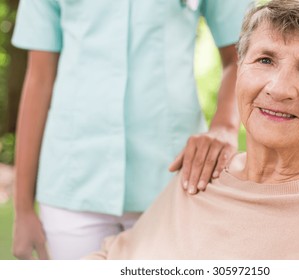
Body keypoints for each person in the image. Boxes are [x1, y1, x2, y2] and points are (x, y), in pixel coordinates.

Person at [86, 0, 299, 260]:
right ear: (240, 69)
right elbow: (114, 260)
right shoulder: (200, 175)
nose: (278, 88)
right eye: (265, 60)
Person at [11, 0, 252, 259]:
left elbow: (241, 55)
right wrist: (23, 208)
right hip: (71, 183)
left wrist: (225, 127)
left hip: (175, 181)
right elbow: (38, 78)